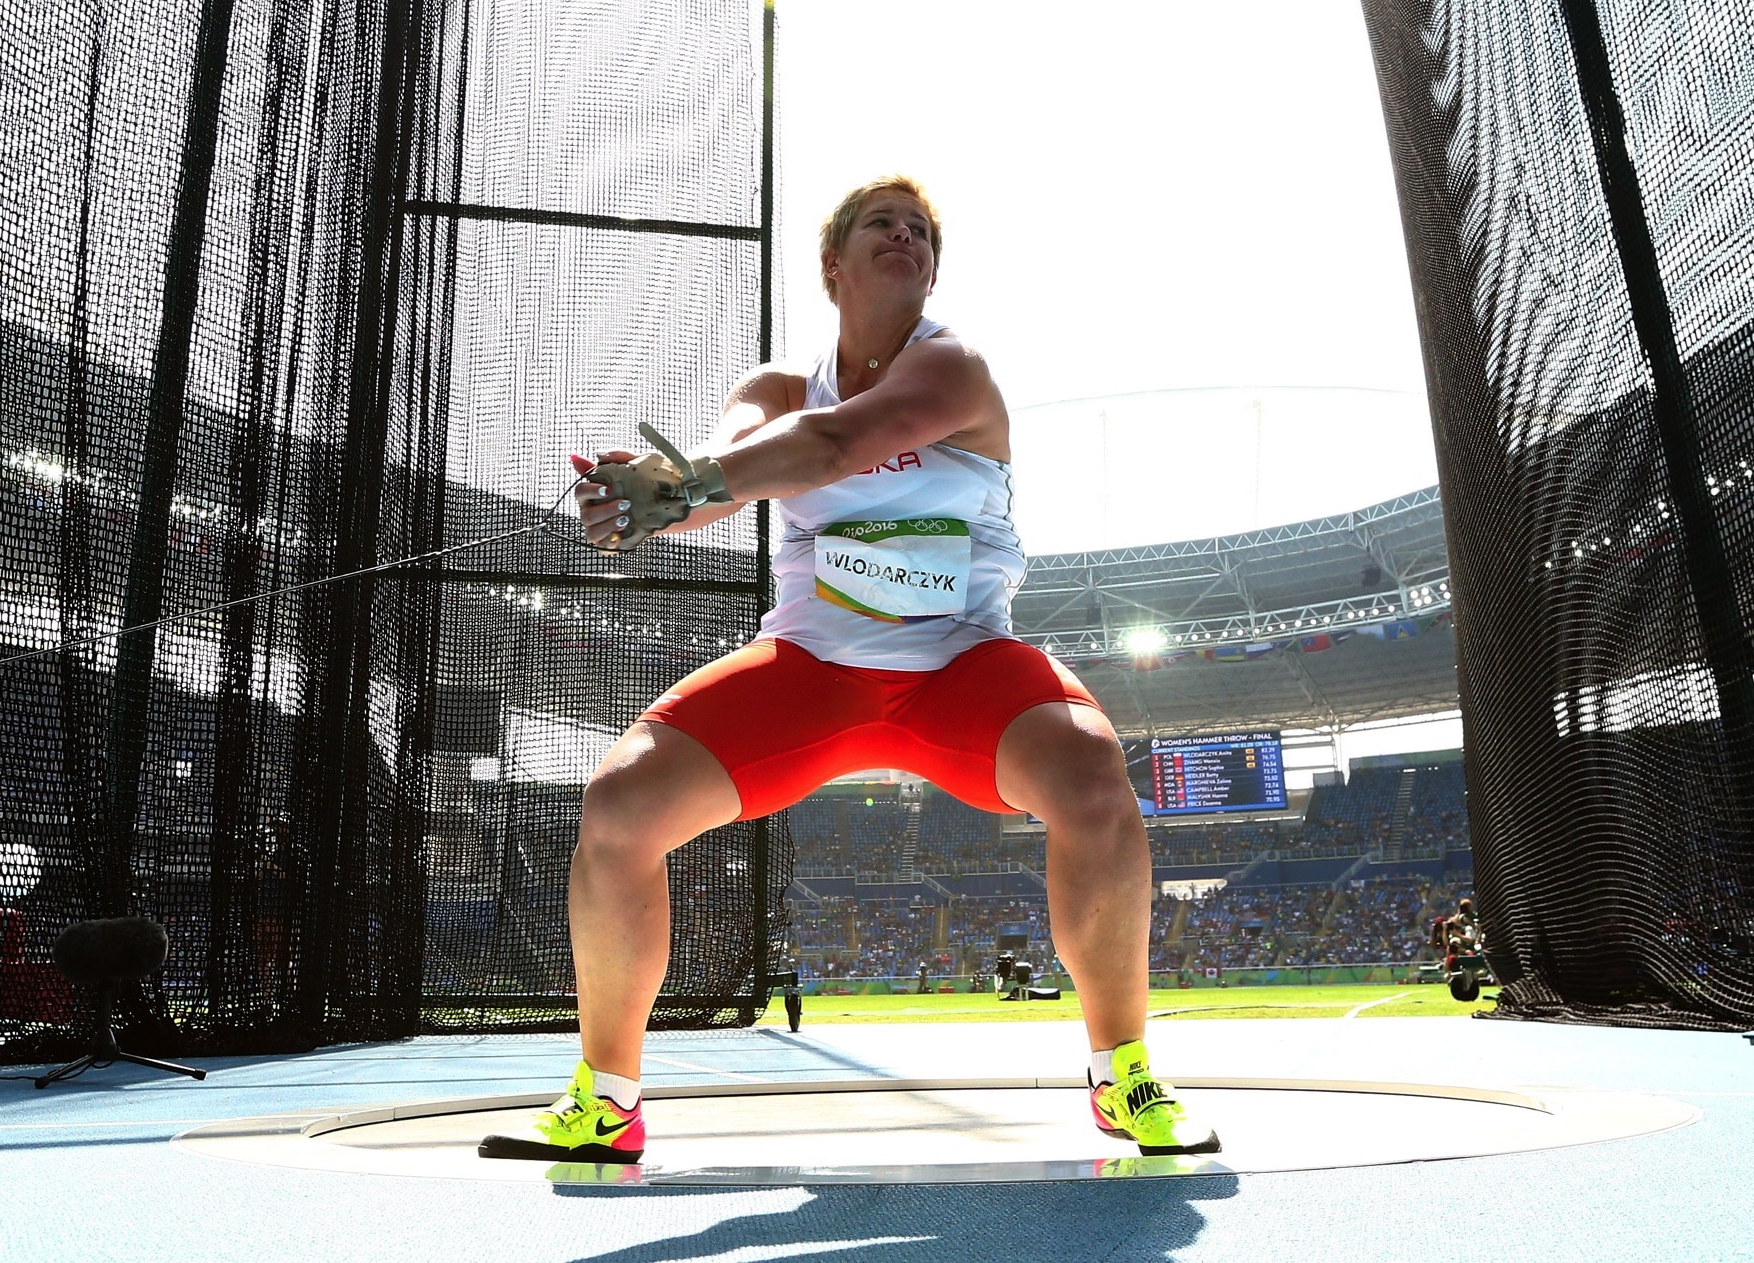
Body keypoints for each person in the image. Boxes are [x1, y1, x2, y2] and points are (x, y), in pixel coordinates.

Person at [479, 175, 1217, 1164]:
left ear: (929, 271)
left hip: (957, 665)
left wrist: (686, 484)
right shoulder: (777, 386)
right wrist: (651, 492)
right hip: (811, 669)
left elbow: (836, 445)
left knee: (1090, 775)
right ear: (834, 264)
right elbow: (730, 459)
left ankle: (1122, 1074)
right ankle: (605, 1100)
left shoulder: (952, 369)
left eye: (919, 230)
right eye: (882, 223)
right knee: (617, 804)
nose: (904, 236)